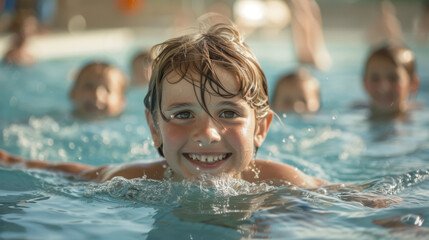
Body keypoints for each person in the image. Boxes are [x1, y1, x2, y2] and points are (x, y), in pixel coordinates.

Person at [0, 23, 327, 187]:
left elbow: (352, 197)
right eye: (184, 114)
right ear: (154, 128)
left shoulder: (281, 183)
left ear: (262, 128)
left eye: (228, 113)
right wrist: (10, 159)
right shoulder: (139, 180)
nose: (207, 133)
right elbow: (78, 173)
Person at [361, 44, 420, 119]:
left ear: (413, 83)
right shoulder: (354, 111)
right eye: (375, 78)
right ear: (365, 83)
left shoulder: (422, 117)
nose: (383, 87)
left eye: (393, 78)